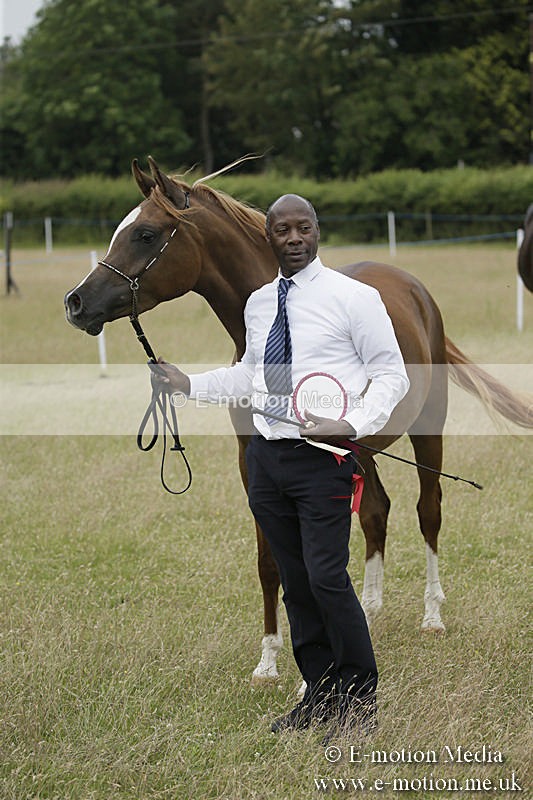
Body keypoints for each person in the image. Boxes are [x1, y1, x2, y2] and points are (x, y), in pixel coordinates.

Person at [152, 194, 409, 738]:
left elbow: (392, 376)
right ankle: (318, 695)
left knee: (327, 578)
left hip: (322, 461)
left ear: (318, 231)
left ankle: (360, 703)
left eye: (303, 228)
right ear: (267, 237)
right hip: (267, 461)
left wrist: (355, 425)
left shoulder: (354, 299)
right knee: (294, 582)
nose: (294, 238)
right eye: (282, 230)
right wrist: (189, 385)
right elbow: (248, 375)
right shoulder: (260, 304)